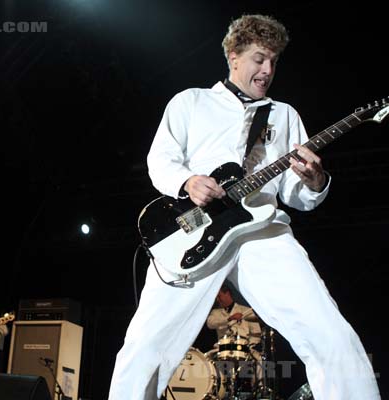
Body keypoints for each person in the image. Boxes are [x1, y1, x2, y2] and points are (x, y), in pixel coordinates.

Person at [108, 14, 380, 399]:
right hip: (194, 237)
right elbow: (161, 160)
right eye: (258, 58)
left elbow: (298, 196)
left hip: (263, 233)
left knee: (332, 336)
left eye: (273, 61)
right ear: (233, 56)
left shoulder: (285, 115)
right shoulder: (191, 102)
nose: (267, 69)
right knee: (144, 349)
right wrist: (187, 182)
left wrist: (315, 180)